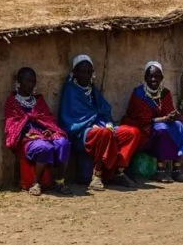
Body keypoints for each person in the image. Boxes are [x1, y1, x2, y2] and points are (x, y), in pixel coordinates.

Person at [59, 54, 141, 191]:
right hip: (82, 133)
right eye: (82, 72)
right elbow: (71, 119)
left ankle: (118, 171)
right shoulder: (70, 90)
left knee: (132, 133)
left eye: (89, 72)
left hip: (102, 126)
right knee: (103, 134)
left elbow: (104, 110)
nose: (86, 75)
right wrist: (94, 123)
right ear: (75, 73)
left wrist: (106, 122)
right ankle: (97, 176)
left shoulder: (93, 90)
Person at [4, 67, 73, 196]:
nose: (30, 84)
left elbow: (48, 119)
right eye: (27, 81)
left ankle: (60, 181)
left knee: (63, 142)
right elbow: (12, 126)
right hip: (26, 137)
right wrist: (29, 129)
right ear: (19, 82)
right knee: (43, 147)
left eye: (33, 81)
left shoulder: (39, 100)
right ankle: (36, 183)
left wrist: (48, 130)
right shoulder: (12, 102)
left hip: (44, 133)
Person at [122, 61, 183, 183]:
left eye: (157, 76)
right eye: (150, 76)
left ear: (162, 78)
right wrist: (163, 119)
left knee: (179, 126)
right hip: (144, 128)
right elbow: (141, 119)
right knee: (161, 129)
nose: (153, 79)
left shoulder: (165, 93)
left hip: (160, 123)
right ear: (145, 77)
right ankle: (160, 170)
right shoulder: (139, 94)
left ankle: (176, 169)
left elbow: (169, 110)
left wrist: (174, 116)